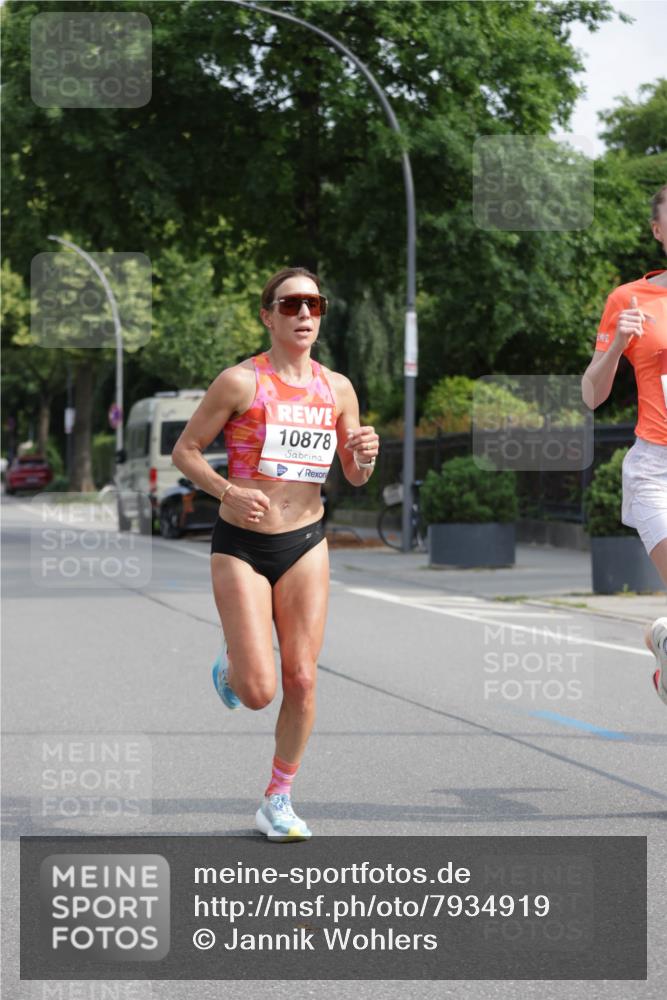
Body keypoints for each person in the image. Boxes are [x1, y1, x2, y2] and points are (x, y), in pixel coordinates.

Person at [172, 266, 379, 840]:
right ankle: (234, 662)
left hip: (305, 541)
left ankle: (278, 798)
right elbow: (186, 451)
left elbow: (355, 475)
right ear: (268, 316)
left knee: (303, 679)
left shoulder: (337, 388)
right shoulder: (240, 382)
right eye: (290, 305)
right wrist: (227, 491)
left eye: (314, 304)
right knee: (259, 692)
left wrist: (365, 454)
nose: (304, 314)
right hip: (241, 543)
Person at [582, 183, 667, 705]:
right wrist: (616, 343)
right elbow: (591, 396)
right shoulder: (629, 300)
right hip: (657, 469)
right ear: (658, 231)